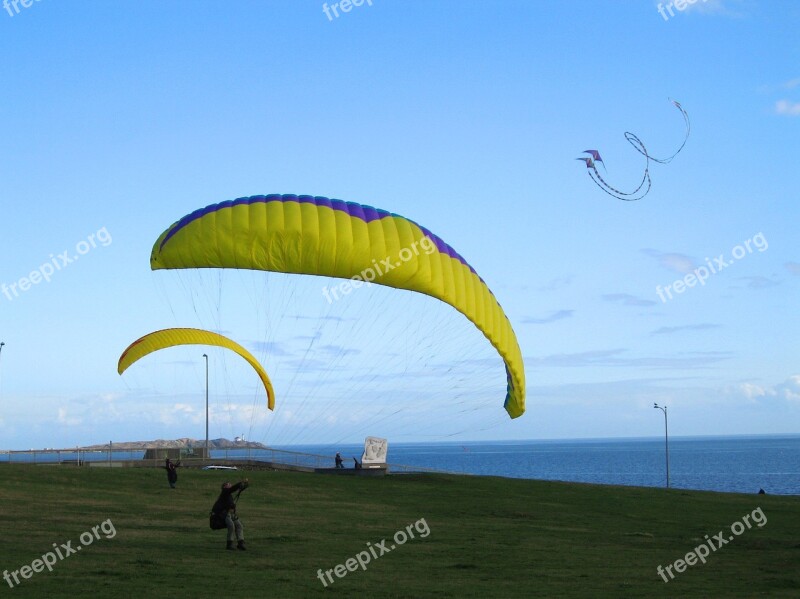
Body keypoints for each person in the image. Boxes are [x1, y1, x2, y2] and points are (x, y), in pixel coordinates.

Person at [212, 479, 249, 550]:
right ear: (224, 486)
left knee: (239, 525)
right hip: (224, 514)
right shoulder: (225, 492)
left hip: (231, 514)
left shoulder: (228, 495)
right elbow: (232, 489)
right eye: (228, 484)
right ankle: (229, 544)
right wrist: (240, 483)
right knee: (231, 526)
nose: (230, 485)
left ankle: (241, 543)